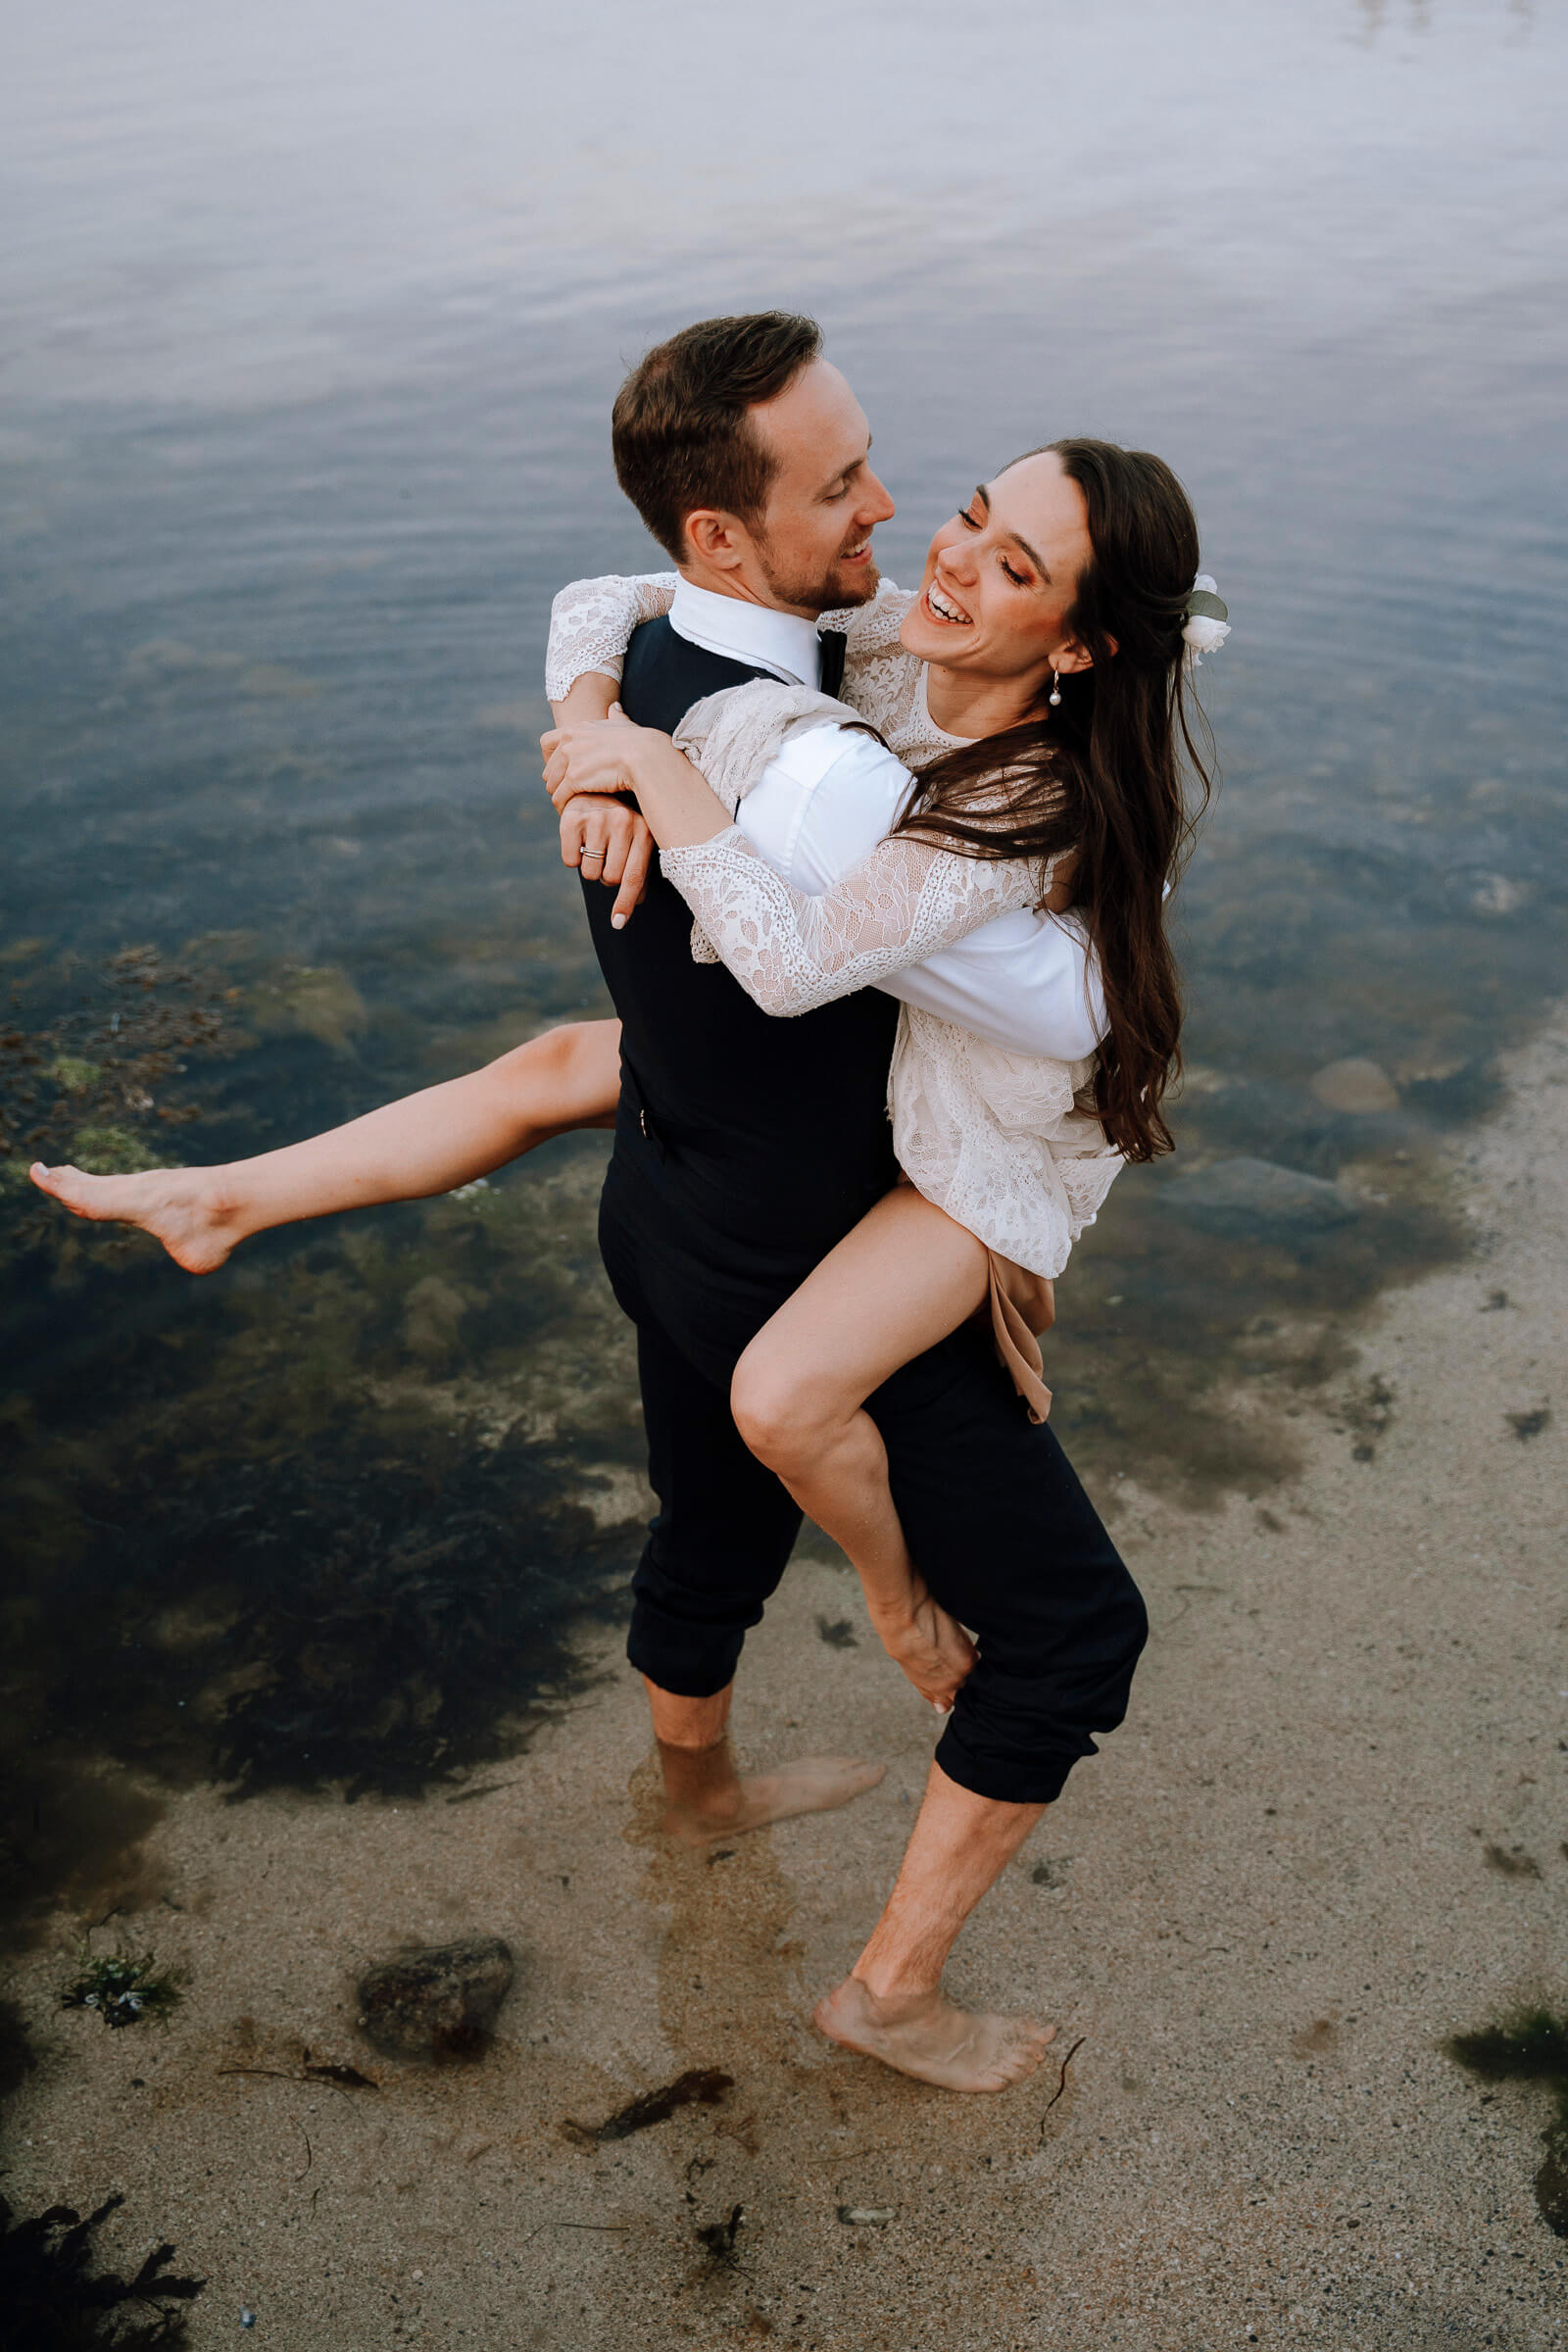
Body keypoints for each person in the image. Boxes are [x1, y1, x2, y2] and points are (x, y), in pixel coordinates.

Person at [30, 315, 1212, 2093]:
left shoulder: (696, 655)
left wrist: (605, 728)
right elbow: (834, 955)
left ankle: (699, 1799)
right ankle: (886, 1990)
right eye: (859, 486)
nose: (908, 521)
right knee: (1073, 1634)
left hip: (664, 1203)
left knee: (710, 1517)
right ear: (724, 535)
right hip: (792, 1247)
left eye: (980, 530)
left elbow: (606, 648)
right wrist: (631, 755)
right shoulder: (820, 761)